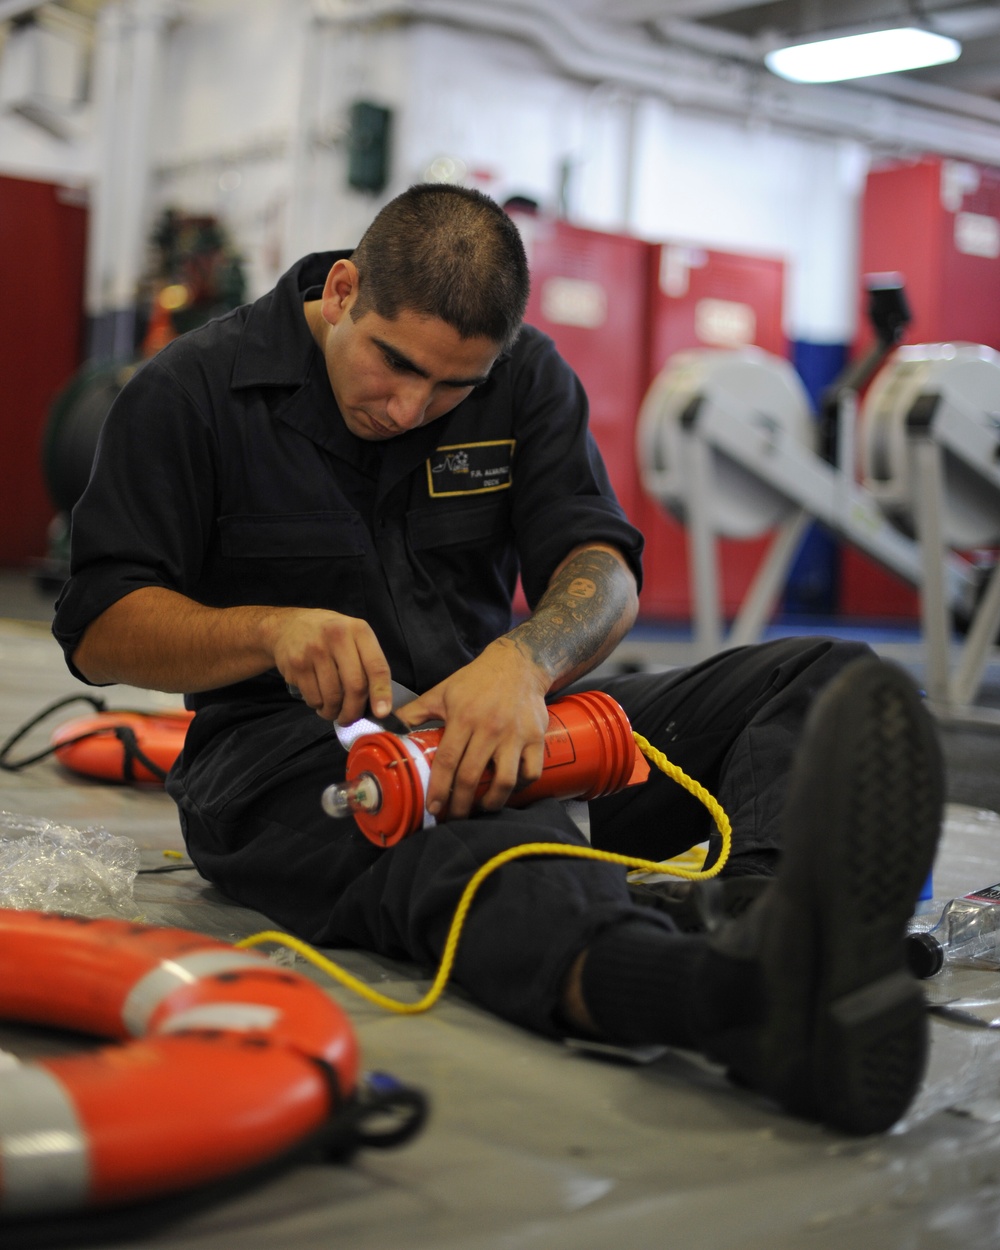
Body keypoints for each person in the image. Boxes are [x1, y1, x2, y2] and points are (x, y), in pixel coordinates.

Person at [54, 183, 943, 1136]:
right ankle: (725, 1001)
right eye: (395, 366)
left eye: (452, 389)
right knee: (481, 859)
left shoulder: (526, 377)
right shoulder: (189, 391)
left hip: (502, 727)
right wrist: (267, 630)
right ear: (344, 290)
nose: (411, 407)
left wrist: (521, 665)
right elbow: (100, 625)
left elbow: (601, 569)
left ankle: (768, 919)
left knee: (821, 676)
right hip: (288, 767)